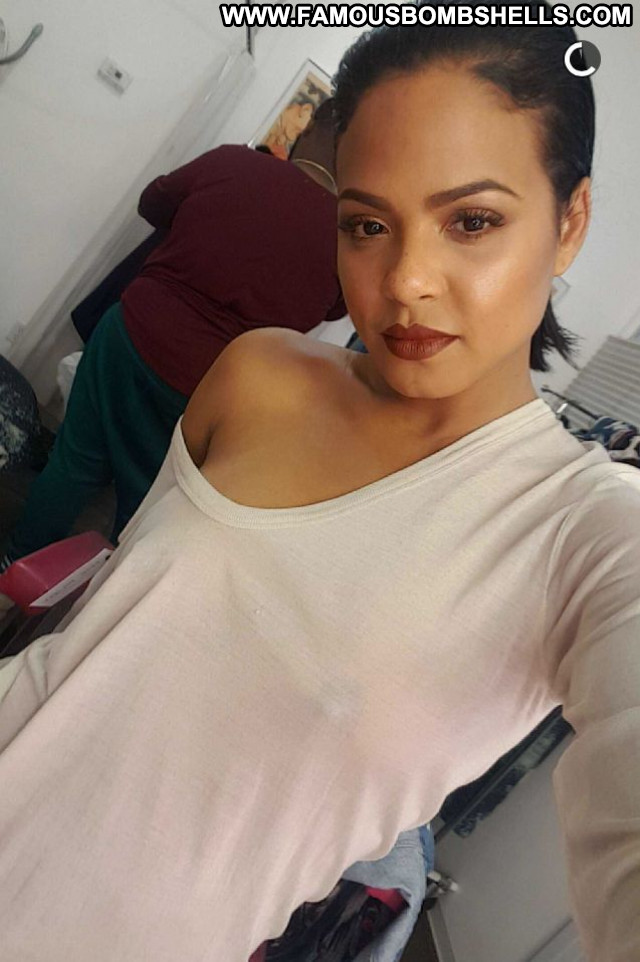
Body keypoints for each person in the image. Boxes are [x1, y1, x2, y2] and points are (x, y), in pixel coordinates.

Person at [0, 5, 639, 961]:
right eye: (368, 224)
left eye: (472, 221)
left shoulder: (581, 532)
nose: (407, 279)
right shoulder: (262, 371)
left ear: (570, 221)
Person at [1, 101, 344, 569]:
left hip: (134, 335)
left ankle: (14, 566)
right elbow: (333, 308)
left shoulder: (234, 163)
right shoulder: (349, 243)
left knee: (74, 463)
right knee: (144, 506)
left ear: (311, 126)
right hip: (209, 388)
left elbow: (153, 201)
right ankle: (97, 605)